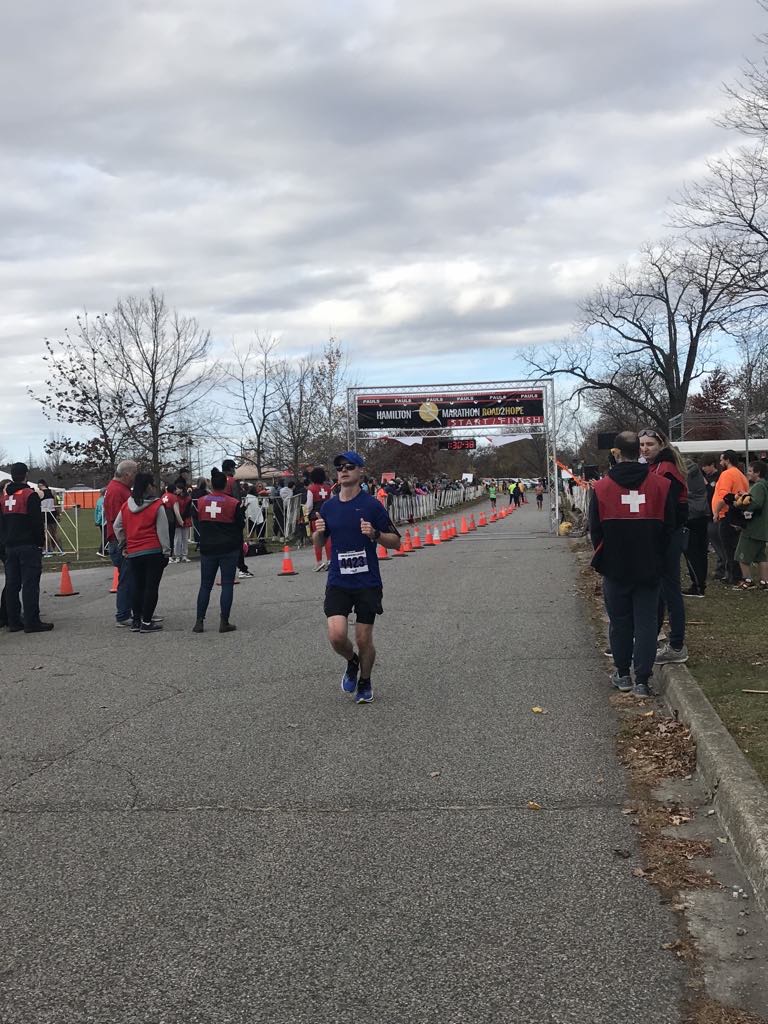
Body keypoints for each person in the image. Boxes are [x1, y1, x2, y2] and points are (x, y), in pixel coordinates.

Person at [589, 433, 674, 697]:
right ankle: (643, 682)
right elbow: (669, 528)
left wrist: (606, 557)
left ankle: (623, 674)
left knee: (620, 622)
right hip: (649, 565)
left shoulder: (601, 488)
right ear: (637, 450)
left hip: (615, 567)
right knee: (647, 623)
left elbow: (595, 531)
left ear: (616, 452)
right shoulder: (661, 485)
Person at [313, 451, 401, 704]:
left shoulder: (372, 505)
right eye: (339, 467)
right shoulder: (328, 507)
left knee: (363, 639)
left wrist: (375, 534)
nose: (343, 470)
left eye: (350, 466)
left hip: (367, 582)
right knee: (337, 636)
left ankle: (365, 680)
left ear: (361, 471)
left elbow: (396, 541)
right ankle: (352, 661)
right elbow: (318, 543)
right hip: (339, 580)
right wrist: (318, 533)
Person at [639, 429, 689, 665]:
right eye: (641, 445)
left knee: (670, 590)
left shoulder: (666, 468)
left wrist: (658, 535)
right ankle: (651, 639)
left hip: (668, 535)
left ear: (660, 445)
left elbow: (668, 508)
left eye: (649, 444)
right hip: (663, 534)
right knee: (659, 590)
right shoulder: (655, 467)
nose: (645, 448)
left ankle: (677, 645)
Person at [113, 473, 169, 633]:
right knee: (151, 587)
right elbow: (162, 530)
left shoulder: (126, 506)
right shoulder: (156, 505)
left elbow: (117, 526)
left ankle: (136, 620)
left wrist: (124, 542)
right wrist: (166, 551)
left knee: (137, 586)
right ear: (148, 486)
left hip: (134, 551)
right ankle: (147, 621)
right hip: (153, 550)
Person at [0, 463, 53, 633]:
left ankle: (14, 621)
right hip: (28, 545)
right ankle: (32, 621)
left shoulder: (3, 497)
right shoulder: (29, 495)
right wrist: (40, 542)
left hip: (9, 545)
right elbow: (36, 522)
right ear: (25, 475)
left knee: (12, 584)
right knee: (30, 583)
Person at [191, 467, 245, 633]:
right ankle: (224, 621)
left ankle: (199, 621)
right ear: (225, 485)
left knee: (205, 585)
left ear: (212, 484)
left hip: (208, 547)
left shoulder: (201, 502)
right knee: (227, 584)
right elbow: (240, 525)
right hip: (228, 547)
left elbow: (196, 519)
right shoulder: (233, 503)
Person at [104, 459, 138, 626]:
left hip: (118, 540)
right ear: (127, 474)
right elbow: (119, 520)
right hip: (120, 541)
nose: (135, 478)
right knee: (127, 578)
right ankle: (124, 614)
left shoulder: (118, 489)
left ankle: (135, 611)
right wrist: (125, 542)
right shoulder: (117, 491)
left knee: (129, 577)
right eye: (135, 474)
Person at [713, 450, 749, 585]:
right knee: (735, 546)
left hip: (726, 514)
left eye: (722, 460)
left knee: (728, 548)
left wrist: (716, 512)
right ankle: (737, 574)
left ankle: (733, 576)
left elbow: (724, 496)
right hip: (738, 514)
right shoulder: (741, 475)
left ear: (727, 460)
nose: (721, 463)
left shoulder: (727, 474)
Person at [733, 460, 768, 590]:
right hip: (762, 528)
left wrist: (744, 505)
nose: (748, 473)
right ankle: (765, 582)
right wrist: (747, 495)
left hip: (753, 528)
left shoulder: (759, 486)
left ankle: (747, 580)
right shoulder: (765, 485)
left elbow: (757, 503)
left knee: (741, 554)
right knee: (761, 556)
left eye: (750, 471)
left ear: (758, 473)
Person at [683, 458, 710, 598]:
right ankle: (700, 583)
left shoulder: (684, 472)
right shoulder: (695, 471)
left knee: (691, 552)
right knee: (701, 552)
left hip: (691, 514)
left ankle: (697, 585)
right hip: (701, 513)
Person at [222, 459, 253, 578]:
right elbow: (236, 500)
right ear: (230, 468)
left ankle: (227, 569)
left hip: (220, 515)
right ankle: (242, 568)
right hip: (232, 515)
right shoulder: (232, 481)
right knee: (238, 542)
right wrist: (241, 511)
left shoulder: (218, 480)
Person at [700, 456, 726, 580]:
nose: (703, 469)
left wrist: (707, 485)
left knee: (718, 543)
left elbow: (714, 492)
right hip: (706, 513)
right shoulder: (707, 477)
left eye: (705, 466)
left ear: (712, 465)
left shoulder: (719, 477)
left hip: (715, 514)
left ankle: (722, 569)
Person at [307, 467, 333, 571]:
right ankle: (330, 560)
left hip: (315, 516)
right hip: (328, 516)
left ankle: (319, 562)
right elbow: (332, 500)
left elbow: (309, 505)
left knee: (317, 538)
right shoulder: (328, 488)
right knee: (328, 538)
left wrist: (307, 514)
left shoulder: (311, 489)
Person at [161, 484, 183, 562]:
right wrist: (181, 521)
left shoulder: (163, 495)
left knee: (164, 536)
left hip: (162, 517)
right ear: (173, 490)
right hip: (170, 517)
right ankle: (170, 555)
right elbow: (176, 511)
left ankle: (165, 553)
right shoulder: (173, 497)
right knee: (171, 536)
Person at [38, 479, 58, 553]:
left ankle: (48, 549)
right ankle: (58, 549)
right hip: (52, 512)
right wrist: (58, 513)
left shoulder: (40, 492)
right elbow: (56, 503)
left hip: (44, 513)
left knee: (46, 533)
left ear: (40, 485)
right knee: (54, 532)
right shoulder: (52, 491)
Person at [174, 486, 192, 562]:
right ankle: (177, 556)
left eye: (177, 488)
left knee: (185, 538)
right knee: (178, 539)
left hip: (186, 519)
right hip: (177, 519)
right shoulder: (175, 498)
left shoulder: (188, 498)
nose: (176, 490)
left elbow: (188, 509)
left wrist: (182, 519)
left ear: (181, 489)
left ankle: (184, 555)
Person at [94, 487, 106, 555]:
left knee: (104, 536)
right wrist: (98, 521)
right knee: (105, 536)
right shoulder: (104, 500)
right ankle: (101, 551)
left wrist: (96, 520)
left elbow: (96, 511)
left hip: (100, 521)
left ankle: (105, 550)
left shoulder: (99, 500)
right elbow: (102, 512)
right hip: (103, 521)